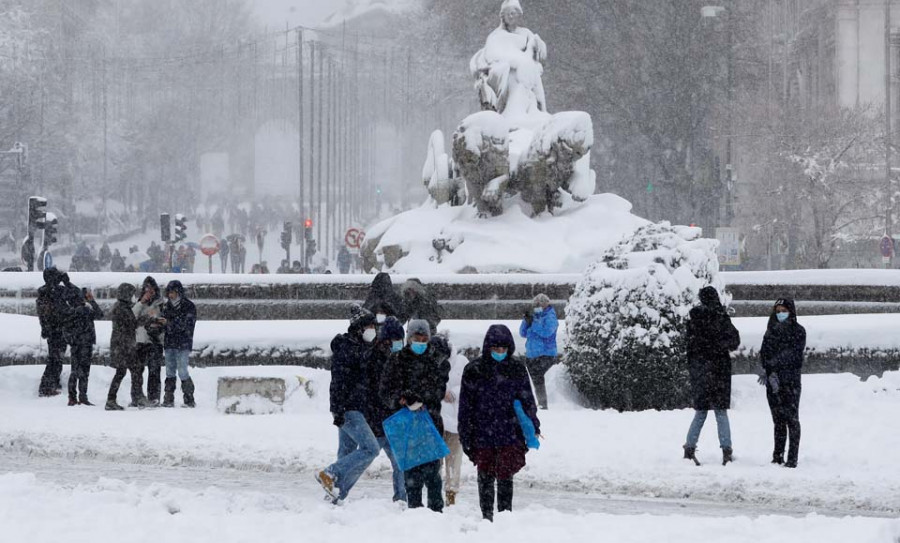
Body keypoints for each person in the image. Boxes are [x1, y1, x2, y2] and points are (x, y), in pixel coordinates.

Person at [459, 324, 540, 522]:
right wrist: (465, 435)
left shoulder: (517, 369)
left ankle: (505, 517)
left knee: (506, 476)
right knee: (485, 476)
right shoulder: (474, 370)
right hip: (482, 433)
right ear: (488, 347)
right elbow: (466, 407)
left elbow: (528, 401)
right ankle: (487, 517)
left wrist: (534, 426)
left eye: (503, 349)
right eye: (496, 349)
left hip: (508, 433)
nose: (500, 353)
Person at [380, 319, 451, 512]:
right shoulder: (396, 360)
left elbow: (438, 389)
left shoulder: (434, 360)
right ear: (409, 338)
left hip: (430, 423)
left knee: (433, 476)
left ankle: (437, 513)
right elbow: (385, 392)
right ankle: (415, 513)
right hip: (407, 427)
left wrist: (421, 399)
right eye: (416, 337)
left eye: (424, 338)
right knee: (412, 477)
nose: (420, 341)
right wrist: (402, 398)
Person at [317, 306, 380, 504]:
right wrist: (338, 409)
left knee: (347, 453)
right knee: (371, 449)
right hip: (348, 409)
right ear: (360, 327)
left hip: (356, 408)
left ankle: (336, 494)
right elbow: (338, 381)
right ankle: (331, 473)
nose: (373, 330)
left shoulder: (362, 348)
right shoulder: (348, 349)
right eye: (370, 326)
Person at [683, 287, 741, 466]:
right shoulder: (721, 318)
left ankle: (689, 449)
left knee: (700, 412)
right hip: (719, 371)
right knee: (721, 413)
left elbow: (690, 348)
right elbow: (734, 342)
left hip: (700, 372)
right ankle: (726, 451)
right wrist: (719, 346)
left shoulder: (693, 320)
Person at [760, 298, 806, 468]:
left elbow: (794, 355)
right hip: (773, 381)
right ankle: (777, 455)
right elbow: (764, 352)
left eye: (783, 310)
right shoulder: (770, 330)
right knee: (778, 420)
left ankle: (792, 458)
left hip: (790, 381)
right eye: (778, 310)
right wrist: (769, 370)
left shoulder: (798, 331)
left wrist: (773, 364)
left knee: (792, 419)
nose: (780, 314)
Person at [367, 316, 408, 503]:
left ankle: (401, 497)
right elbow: (377, 391)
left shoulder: (400, 358)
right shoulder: (375, 359)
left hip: (392, 419)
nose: (399, 343)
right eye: (396, 340)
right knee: (365, 457)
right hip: (379, 419)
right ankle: (338, 484)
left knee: (401, 461)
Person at [106, 283, 147, 410]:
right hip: (123, 345)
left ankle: (134, 397)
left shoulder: (121, 306)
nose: (133, 297)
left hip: (122, 344)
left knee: (131, 371)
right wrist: (146, 319)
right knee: (129, 370)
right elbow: (131, 324)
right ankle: (117, 399)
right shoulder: (122, 308)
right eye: (131, 294)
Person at [64, 281, 104, 406]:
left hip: (77, 343)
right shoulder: (84, 310)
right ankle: (82, 396)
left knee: (75, 371)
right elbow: (100, 314)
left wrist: (71, 341)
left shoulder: (71, 310)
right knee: (84, 371)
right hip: (85, 343)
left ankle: (72, 397)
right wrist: (92, 301)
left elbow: (65, 329)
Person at [518, 293, 558, 410]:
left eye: (540, 304)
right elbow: (522, 333)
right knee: (536, 381)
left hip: (546, 354)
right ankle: (540, 403)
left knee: (540, 380)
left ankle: (544, 404)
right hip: (531, 355)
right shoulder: (535, 316)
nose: (537, 306)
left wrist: (533, 323)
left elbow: (547, 332)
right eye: (535, 304)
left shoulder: (550, 316)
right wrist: (526, 320)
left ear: (546, 304)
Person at [161, 280, 197, 408]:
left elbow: (187, 325)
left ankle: (189, 398)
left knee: (182, 370)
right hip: (170, 342)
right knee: (169, 371)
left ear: (178, 292)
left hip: (183, 343)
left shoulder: (188, 306)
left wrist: (168, 324)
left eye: (173, 292)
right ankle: (168, 397)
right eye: (169, 292)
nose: (171, 295)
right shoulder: (165, 306)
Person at [134, 277, 166, 406]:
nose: (149, 291)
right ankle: (137, 397)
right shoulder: (138, 302)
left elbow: (165, 319)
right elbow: (131, 316)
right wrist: (141, 302)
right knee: (137, 371)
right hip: (140, 340)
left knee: (154, 370)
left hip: (155, 340)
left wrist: (158, 323)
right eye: (147, 288)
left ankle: (154, 397)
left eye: (151, 288)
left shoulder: (161, 303)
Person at [36, 268, 69, 397]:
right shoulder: (53, 292)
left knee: (56, 357)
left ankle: (53, 382)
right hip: (57, 330)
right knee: (55, 358)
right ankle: (46, 386)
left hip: (54, 330)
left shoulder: (45, 292)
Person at [441, 348, 466, 507]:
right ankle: (435, 494)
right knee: (434, 461)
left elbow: (470, 386)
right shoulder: (429, 359)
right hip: (435, 418)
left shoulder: (462, 362)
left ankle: (451, 496)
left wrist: (454, 394)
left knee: (454, 461)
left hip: (456, 421)